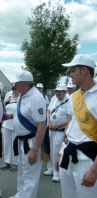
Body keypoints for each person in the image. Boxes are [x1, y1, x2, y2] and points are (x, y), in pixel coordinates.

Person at [55, 54, 97, 198]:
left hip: (87, 159)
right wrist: (60, 153)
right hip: (68, 152)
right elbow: (69, 125)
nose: (70, 75)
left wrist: (94, 170)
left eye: (73, 71)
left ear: (84, 70)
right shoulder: (73, 96)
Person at [3, 71, 47, 198]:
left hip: (31, 142)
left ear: (26, 84)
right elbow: (25, 114)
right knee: (22, 172)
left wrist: (34, 149)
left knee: (30, 175)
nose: (14, 85)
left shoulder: (36, 98)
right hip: (22, 140)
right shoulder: (24, 95)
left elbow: (42, 126)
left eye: (17, 83)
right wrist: (10, 116)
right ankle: (20, 194)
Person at [44, 84, 69, 182]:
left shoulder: (69, 101)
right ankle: (50, 168)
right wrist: (49, 122)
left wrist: (57, 125)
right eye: (57, 91)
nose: (57, 93)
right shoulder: (54, 98)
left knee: (56, 151)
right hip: (50, 129)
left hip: (59, 131)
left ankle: (57, 172)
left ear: (65, 92)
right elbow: (48, 111)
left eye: (60, 91)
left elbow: (69, 119)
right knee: (49, 150)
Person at [1, 85, 19, 171]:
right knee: (6, 144)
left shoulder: (22, 98)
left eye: (16, 89)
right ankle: (7, 162)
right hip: (6, 124)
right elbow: (4, 110)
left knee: (15, 144)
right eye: (13, 89)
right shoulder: (8, 95)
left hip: (16, 125)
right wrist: (4, 102)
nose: (14, 90)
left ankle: (15, 163)